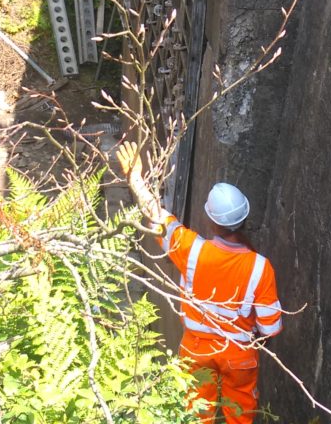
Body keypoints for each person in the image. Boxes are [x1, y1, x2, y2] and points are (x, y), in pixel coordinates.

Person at [116, 143, 283, 424]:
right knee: (239, 414)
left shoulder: (191, 250)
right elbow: (271, 327)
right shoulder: (260, 267)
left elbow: (157, 216)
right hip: (239, 352)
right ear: (244, 218)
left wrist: (135, 178)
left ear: (211, 220)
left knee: (195, 413)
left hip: (196, 349)